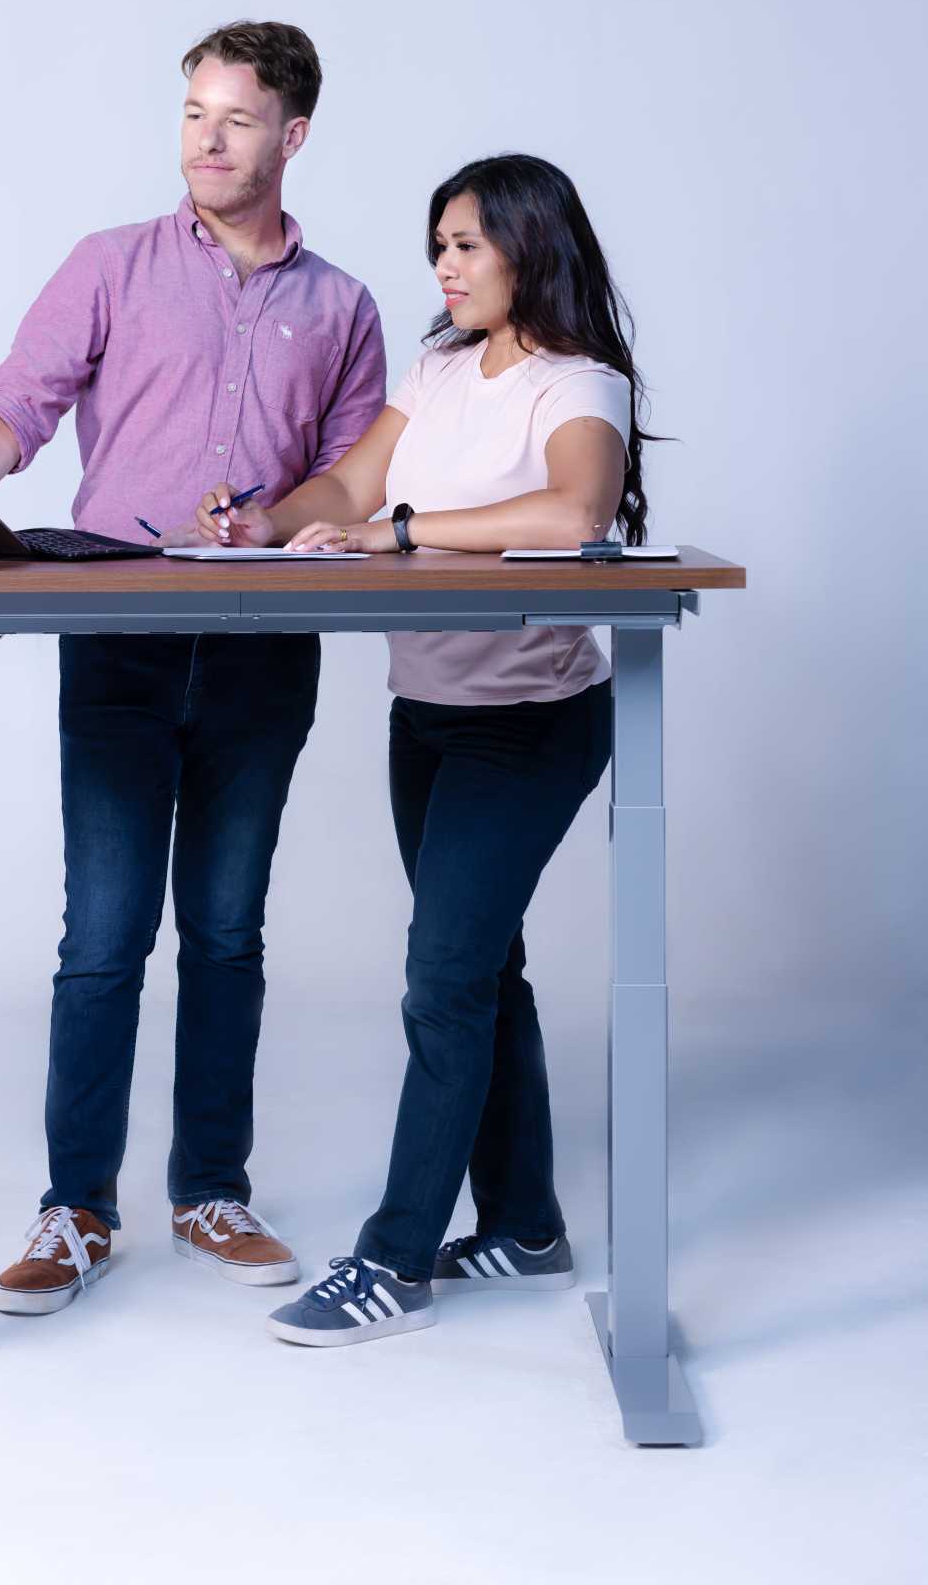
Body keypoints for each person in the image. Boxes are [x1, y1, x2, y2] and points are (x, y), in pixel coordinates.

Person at [0, 22, 387, 1314]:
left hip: (262, 645)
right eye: (193, 112)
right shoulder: (111, 265)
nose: (205, 138)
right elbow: (16, 402)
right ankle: (74, 1208)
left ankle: (209, 1188)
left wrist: (277, 516)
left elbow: (352, 473)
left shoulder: (341, 306)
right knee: (102, 935)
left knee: (228, 931)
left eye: (236, 118)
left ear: (291, 136)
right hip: (119, 636)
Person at [193, 152, 655, 1346]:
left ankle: (394, 1257)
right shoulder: (441, 365)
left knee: (441, 980)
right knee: (481, 967)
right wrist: (271, 517)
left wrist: (392, 532)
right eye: (436, 245)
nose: (442, 266)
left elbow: (572, 514)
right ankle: (525, 1224)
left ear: (527, 248)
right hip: (429, 712)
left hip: (534, 722)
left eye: (464, 245)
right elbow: (350, 476)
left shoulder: (577, 384)